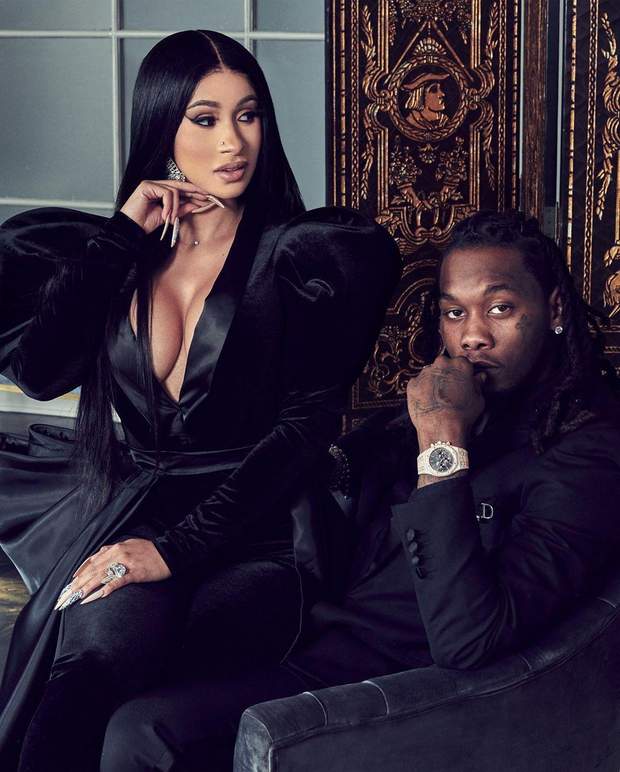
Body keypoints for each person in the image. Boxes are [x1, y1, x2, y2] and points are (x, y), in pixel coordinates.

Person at [0, 30, 401, 771]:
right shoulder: (121, 256)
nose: (233, 142)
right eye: (205, 118)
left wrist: (172, 552)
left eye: (248, 115)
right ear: (163, 128)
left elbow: (304, 429)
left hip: (264, 528)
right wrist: (124, 235)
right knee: (81, 686)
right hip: (135, 515)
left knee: (169, 690)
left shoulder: (305, 253)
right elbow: (39, 373)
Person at [100, 210, 620, 771]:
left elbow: (471, 640)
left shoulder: (586, 453)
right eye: (454, 312)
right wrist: (171, 550)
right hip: (312, 645)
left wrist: (442, 443)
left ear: (555, 310)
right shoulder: (442, 412)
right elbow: (314, 479)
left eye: (500, 308)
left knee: (146, 735)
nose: (473, 335)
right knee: (123, 686)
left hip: (409, 693)